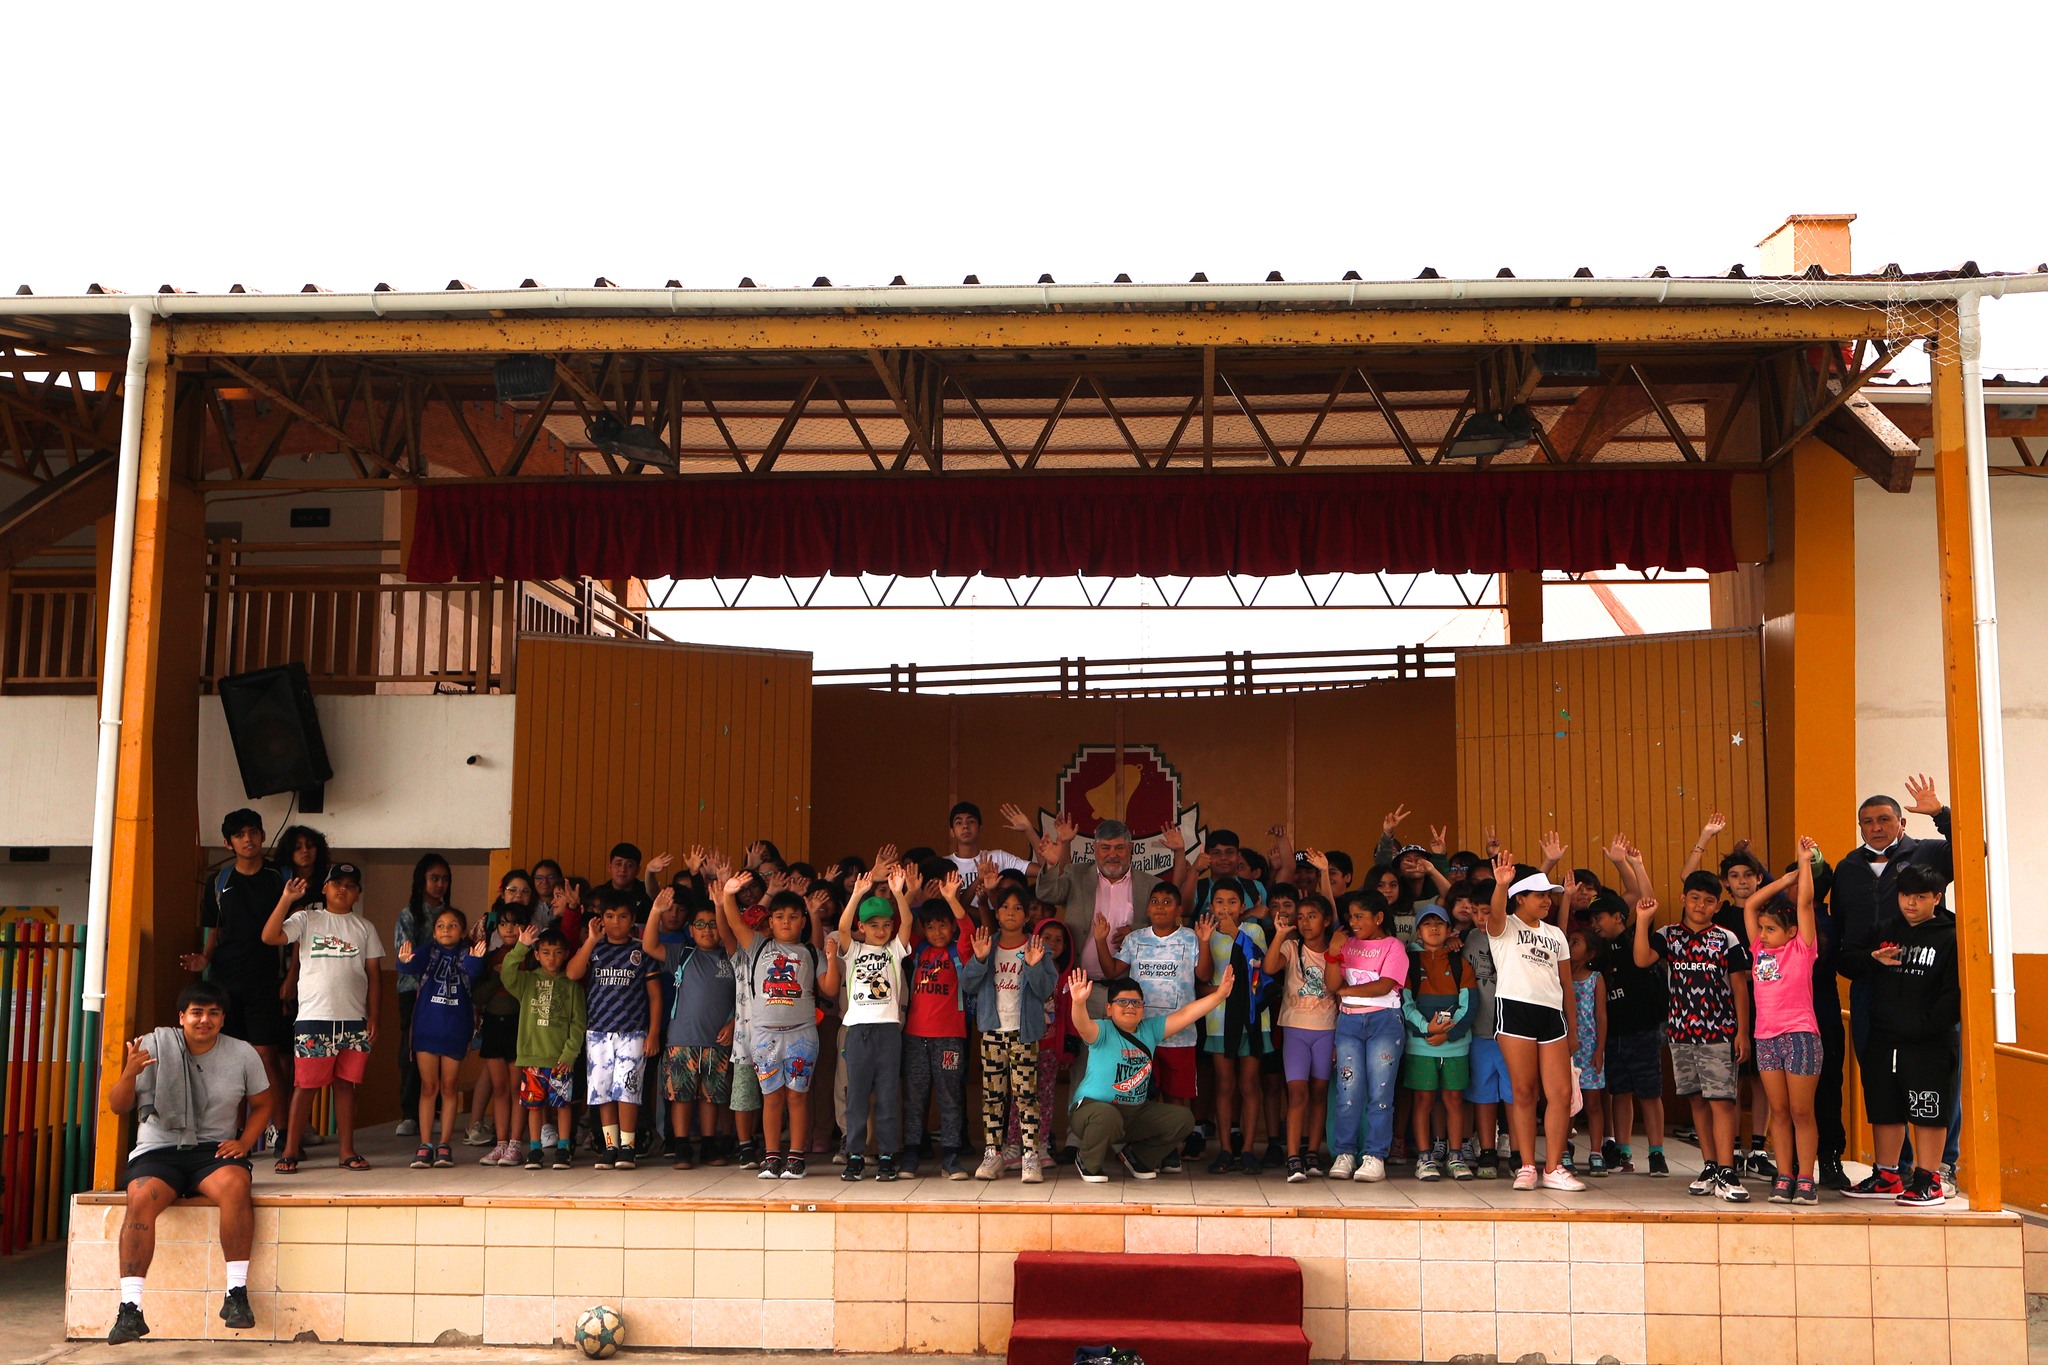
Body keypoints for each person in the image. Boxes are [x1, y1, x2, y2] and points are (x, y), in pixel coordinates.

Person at [105, 983, 274, 1344]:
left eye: (213, 1013)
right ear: (181, 1017)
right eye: (196, 1012)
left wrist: (245, 1142)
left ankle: (236, 1294)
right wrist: (130, 1072)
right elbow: (118, 1106)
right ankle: (130, 1309)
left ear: (223, 1018)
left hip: (212, 1151)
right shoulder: (152, 1046)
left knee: (235, 1185)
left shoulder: (242, 1053)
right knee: (139, 1198)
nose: (204, 1020)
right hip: (158, 1149)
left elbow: (263, 1104)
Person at [1832, 776, 1960, 1177]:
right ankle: (1893, 1169)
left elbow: (1977, 851)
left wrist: (1941, 814)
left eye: (1885, 818)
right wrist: (1865, 961)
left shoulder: (1928, 852)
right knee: (1880, 1079)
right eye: (1867, 821)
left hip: (1927, 980)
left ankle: (1940, 1167)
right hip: (1872, 986)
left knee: (1933, 1081)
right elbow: (1842, 930)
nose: (1876, 826)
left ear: (1902, 822)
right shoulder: (1847, 868)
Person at [1637, 870, 1753, 1203]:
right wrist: (1643, 921)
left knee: (1722, 1101)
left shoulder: (1726, 938)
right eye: (1695, 898)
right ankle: (1710, 1165)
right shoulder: (1667, 935)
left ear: (1718, 905)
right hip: (1681, 1032)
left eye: (1709, 900)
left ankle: (1728, 1170)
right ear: (1684, 899)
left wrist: (1742, 1032)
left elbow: (1740, 988)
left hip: (1719, 1032)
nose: (1701, 905)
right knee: (1697, 1100)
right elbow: (1642, 958)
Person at [261, 862, 381, 1173]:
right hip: (314, 1018)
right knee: (306, 1086)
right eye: (336, 883)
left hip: (354, 1020)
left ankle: (346, 1151)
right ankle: (289, 1150)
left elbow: (374, 975)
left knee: (345, 1086)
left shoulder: (364, 928)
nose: (343, 889)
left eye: (351, 885)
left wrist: (374, 1017)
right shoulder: (306, 919)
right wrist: (286, 899)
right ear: (324, 888)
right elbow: (269, 936)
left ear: (358, 894)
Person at [1065, 966, 1236, 1182]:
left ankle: (1137, 1157)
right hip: (1091, 1112)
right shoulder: (1102, 1030)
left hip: (1134, 1113)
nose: (1130, 1006)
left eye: (1136, 1002)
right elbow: (1082, 1025)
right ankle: (1087, 1162)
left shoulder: (1150, 1030)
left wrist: (1220, 995)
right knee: (1106, 1116)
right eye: (1122, 1002)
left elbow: (1186, 1014)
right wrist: (1078, 1003)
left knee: (1182, 1119)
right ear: (1109, 1009)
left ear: (1143, 1008)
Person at [180, 810, 288, 1145]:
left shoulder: (278, 877)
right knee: (230, 1057)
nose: (248, 839)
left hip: (266, 979)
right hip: (225, 981)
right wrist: (205, 959)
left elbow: (296, 929)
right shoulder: (220, 881)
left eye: (253, 832)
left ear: (262, 835)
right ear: (229, 842)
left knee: (266, 1055)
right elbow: (216, 932)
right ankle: (234, 1132)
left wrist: (291, 976)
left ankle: (282, 1132)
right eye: (239, 835)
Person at [723, 879, 840, 1180]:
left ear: (803, 921)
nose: (786, 922)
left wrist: (831, 958)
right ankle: (772, 1157)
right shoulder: (758, 946)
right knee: (771, 1096)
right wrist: (727, 894)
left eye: (792, 917)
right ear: (770, 922)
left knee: (797, 1096)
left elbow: (829, 989)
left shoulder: (811, 952)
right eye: (779, 917)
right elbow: (735, 923)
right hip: (764, 1034)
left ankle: (796, 1158)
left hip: (802, 1034)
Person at [1479, 853, 1583, 1193]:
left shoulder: (1557, 934)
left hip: (1552, 1016)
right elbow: (1495, 912)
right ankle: (1526, 1166)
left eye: (1549, 895)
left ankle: (1554, 1167)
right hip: (1515, 1010)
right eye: (1540, 895)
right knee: (1523, 1091)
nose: (1547, 901)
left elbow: (1567, 984)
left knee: (1561, 1093)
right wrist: (1501, 885)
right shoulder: (1504, 926)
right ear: (1519, 897)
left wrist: (1574, 1029)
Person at [1742, 837, 1824, 1204]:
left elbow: (1804, 903)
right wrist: (1784, 881)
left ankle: (1806, 1177)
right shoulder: (1759, 949)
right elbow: (1752, 903)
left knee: (1801, 1110)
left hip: (1801, 1036)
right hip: (1766, 1038)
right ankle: (1785, 1174)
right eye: (1760, 929)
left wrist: (1803, 865)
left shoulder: (1801, 948)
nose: (1762, 935)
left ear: (1790, 932)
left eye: (1770, 929)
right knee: (1778, 1111)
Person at [961, 888, 1058, 1182]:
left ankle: (1030, 1156)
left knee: (1026, 1096)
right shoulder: (986, 945)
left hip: (1025, 1033)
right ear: (997, 912)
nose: (1011, 912)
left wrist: (1032, 965)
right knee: (993, 1096)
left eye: (1018, 908)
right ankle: (993, 1154)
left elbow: (1045, 989)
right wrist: (979, 960)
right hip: (992, 1032)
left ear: (1027, 914)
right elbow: (967, 984)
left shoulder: (1037, 946)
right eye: (1004, 907)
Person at [1106, 881, 1210, 1147]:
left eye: (1167, 902)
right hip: (1142, 1036)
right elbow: (1111, 972)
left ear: (1179, 908)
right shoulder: (1135, 939)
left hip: (1180, 1035)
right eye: (1155, 901)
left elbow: (1205, 975)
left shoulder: (1190, 937)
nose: (1160, 906)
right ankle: (1146, 1147)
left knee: (1177, 1096)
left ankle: (1173, 1148)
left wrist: (1205, 942)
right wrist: (1098, 940)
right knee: (1144, 1095)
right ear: (1147, 908)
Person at [640, 885, 737, 1169]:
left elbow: (743, 997)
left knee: (711, 1096)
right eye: (700, 925)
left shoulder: (731, 956)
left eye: (713, 924)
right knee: (681, 1096)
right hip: (682, 1039)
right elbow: (648, 945)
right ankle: (681, 1145)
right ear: (690, 930)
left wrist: (733, 1024)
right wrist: (656, 912)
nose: (708, 930)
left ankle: (708, 1143)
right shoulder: (682, 953)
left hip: (718, 1041)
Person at [567, 887, 663, 1170]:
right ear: (600, 919)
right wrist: (591, 940)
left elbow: (655, 995)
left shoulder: (641, 950)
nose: (616, 922)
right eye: (609, 916)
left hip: (633, 1032)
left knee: (628, 1090)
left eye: (622, 916)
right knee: (603, 1091)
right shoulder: (594, 948)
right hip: (598, 1032)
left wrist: (653, 1033)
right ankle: (610, 1146)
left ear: (632, 919)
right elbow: (573, 973)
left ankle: (628, 1147)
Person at [1587, 873, 1670, 1177]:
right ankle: (1623, 1151)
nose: (1594, 923)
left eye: (1599, 917)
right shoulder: (1597, 953)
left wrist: (1632, 863)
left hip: (1643, 1031)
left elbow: (1648, 903)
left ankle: (1657, 1153)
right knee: (1620, 1093)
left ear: (1619, 917)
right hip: (1612, 1035)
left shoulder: (1637, 937)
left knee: (1649, 1093)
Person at [1035, 818, 1162, 1011]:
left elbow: (1163, 929)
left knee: (1127, 1042)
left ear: (1131, 848)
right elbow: (1048, 895)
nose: (1112, 854)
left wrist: (1135, 933)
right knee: (1084, 1042)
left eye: (1119, 847)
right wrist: (1051, 865)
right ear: (1095, 848)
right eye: (1105, 848)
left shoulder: (1150, 885)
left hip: (1130, 991)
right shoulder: (1076, 874)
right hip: (1082, 988)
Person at [835, 871, 913, 1181]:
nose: (880, 931)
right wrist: (856, 895)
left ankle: (885, 1154)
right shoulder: (853, 951)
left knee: (887, 1095)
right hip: (857, 1031)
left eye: (885, 924)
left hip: (888, 1032)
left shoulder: (894, 951)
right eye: (873, 925)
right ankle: (854, 1154)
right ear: (862, 927)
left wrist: (898, 894)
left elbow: (907, 923)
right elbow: (841, 927)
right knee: (856, 1095)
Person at [396, 905, 487, 1169]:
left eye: (452, 925)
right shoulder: (429, 951)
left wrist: (476, 958)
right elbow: (409, 966)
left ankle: (445, 1145)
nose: (446, 930)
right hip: (426, 1028)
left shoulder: (467, 953)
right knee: (428, 1087)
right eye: (440, 926)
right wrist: (403, 961)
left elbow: (473, 971)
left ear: (462, 931)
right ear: (434, 933)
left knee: (449, 1087)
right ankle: (425, 1145)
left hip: (455, 1029)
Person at [1326, 887, 1408, 1182]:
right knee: (1348, 1091)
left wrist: (1346, 991)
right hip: (1349, 1023)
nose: (1354, 922)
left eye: (1360, 916)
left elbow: (1384, 986)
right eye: (1350, 916)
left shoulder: (1393, 946)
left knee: (1380, 1092)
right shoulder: (1346, 944)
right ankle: (1345, 1153)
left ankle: (1375, 1156)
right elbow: (1331, 983)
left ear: (1379, 917)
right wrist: (1333, 955)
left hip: (1384, 1022)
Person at [1197, 877, 1269, 1174]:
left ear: (1243, 906)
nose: (1225, 908)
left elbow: (1259, 964)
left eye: (1232, 902)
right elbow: (1203, 976)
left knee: (1249, 1084)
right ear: (1211, 905)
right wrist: (1204, 941)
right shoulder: (1206, 932)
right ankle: (1226, 1149)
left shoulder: (1252, 930)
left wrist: (1236, 933)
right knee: (1224, 1085)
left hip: (1251, 1019)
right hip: (1218, 1019)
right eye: (1219, 902)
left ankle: (1249, 1149)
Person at [902, 887, 974, 1179]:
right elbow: (900, 924)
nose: (937, 931)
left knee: (949, 1096)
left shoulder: (960, 952)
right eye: (930, 926)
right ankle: (910, 1153)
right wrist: (906, 895)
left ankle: (951, 1156)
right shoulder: (919, 949)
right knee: (914, 1096)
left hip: (950, 1038)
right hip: (916, 1037)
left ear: (952, 925)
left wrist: (953, 899)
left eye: (943, 924)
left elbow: (969, 926)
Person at [1400, 905, 1476, 1181]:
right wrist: (1425, 1028)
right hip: (1420, 1045)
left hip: (1455, 1045)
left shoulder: (1460, 963)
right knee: (1423, 1099)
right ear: (1418, 931)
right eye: (1427, 924)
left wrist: (1448, 1033)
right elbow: (1405, 1004)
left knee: (1455, 1098)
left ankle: (1455, 1155)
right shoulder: (1409, 963)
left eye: (1439, 924)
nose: (1433, 928)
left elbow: (1469, 1005)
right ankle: (1424, 1156)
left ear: (1448, 929)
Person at [1265, 891, 1336, 1181]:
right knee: (1297, 1093)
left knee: (1319, 1093)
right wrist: (1280, 935)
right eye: (1301, 917)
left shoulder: (1335, 950)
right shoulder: (1292, 947)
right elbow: (1270, 968)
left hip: (1327, 1029)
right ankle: (1293, 1156)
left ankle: (1312, 1152)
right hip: (1295, 1028)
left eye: (1313, 916)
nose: (1305, 923)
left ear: (1327, 920)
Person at [502, 924, 585, 1170]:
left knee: (562, 1105)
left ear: (567, 954)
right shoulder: (527, 981)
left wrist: (570, 1054)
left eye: (558, 952)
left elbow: (579, 1023)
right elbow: (507, 974)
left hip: (561, 1059)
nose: (552, 957)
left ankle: (563, 1149)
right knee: (534, 1106)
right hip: (533, 1057)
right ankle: (535, 1150)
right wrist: (521, 947)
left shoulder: (572, 985)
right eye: (546, 952)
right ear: (536, 954)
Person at [393, 853, 455, 1140]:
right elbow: (406, 956)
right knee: (411, 1050)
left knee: (442, 1049)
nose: (439, 884)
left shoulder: (449, 915)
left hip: (443, 992)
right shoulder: (409, 914)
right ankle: (409, 1113)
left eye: (444, 879)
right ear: (421, 881)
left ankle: (440, 1110)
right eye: (434, 878)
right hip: (413, 991)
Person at [472, 905, 528, 1167]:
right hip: (493, 1024)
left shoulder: (532, 956)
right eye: (504, 924)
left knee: (518, 1088)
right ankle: (501, 1144)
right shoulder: (490, 956)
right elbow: (478, 995)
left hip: (520, 1025)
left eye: (515, 923)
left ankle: (516, 1144)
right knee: (500, 1088)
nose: (508, 929)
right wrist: (497, 976)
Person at [1565, 925, 1607, 1175]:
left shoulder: (1595, 979)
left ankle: (1596, 1152)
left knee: (1592, 1102)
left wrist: (1600, 1048)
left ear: (1590, 954)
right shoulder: (1560, 976)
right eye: (1570, 941)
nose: (1571, 946)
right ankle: (1564, 1148)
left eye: (1576, 942)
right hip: (1565, 1049)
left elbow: (1600, 1015)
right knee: (1567, 1101)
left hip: (1589, 1047)